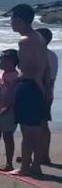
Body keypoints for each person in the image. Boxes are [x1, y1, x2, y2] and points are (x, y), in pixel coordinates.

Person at [11, 5, 48, 176]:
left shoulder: (25, 40)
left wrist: (15, 76)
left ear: (19, 20)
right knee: (37, 129)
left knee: (27, 131)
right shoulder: (39, 37)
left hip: (28, 86)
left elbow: (27, 69)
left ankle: (25, 167)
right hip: (39, 85)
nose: (11, 23)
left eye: (13, 19)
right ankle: (36, 165)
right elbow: (43, 65)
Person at [39, 27, 56, 166]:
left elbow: (49, 79)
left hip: (42, 92)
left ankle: (43, 155)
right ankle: (40, 154)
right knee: (39, 124)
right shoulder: (50, 55)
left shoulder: (46, 55)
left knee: (40, 124)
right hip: (46, 92)